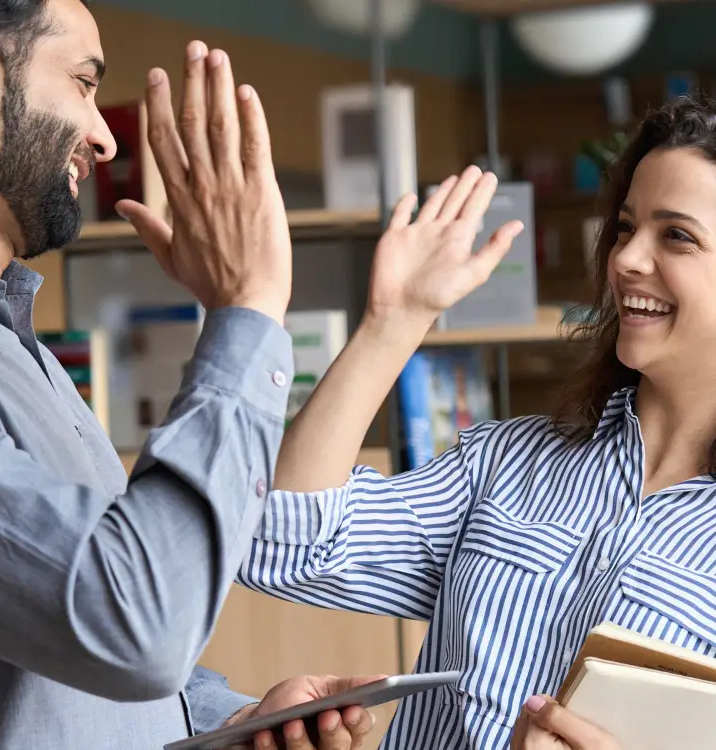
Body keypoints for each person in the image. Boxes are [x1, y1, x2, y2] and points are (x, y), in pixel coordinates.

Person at [238, 95, 716, 749]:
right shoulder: (508, 460)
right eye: (626, 227)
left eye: (678, 236)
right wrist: (393, 321)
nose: (627, 259)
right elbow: (279, 542)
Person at [0, 1, 382, 748]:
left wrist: (232, 721)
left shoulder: (15, 348)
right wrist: (247, 307)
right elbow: (136, 623)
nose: (100, 135)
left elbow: (75, 625)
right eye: (83, 83)